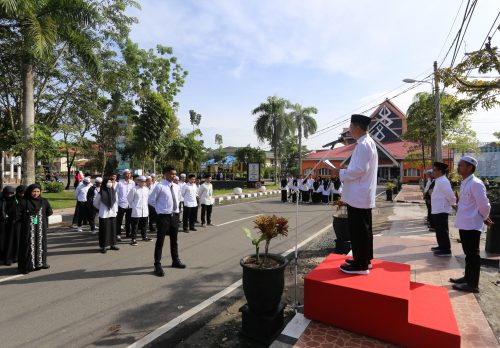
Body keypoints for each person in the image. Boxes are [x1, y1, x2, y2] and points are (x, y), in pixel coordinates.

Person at [331, 114, 378, 275]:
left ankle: (360, 265)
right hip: (361, 193)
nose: (350, 130)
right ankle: (364, 259)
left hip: (359, 194)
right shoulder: (365, 143)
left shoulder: (364, 144)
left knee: (359, 231)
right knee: (364, 230)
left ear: (357, 127)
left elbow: (359, 170)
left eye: (351, 127)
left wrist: (340, 172)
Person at [450, 156, 492, 293]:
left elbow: (484, 205)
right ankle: (467, 278)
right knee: (468, 254)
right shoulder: (465, 182)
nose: (458, 167)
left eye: (461, 165)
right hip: (464, 223)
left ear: (470, 168)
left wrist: (485, 217)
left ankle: (473, 284)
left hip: (473, 224)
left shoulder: (476, 183)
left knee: (473, 255)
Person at [149, 165, 186, 277]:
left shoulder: (176, 186)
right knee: (160, 241)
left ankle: (175, 260)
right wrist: (160, 210)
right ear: (165, 174)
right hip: (163, 217)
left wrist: (177, 212)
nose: (173, 175)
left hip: (174, 216)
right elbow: (151, 200)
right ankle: (157, 265)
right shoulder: (160, 186)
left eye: (175, 174)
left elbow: (179, 199)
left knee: (174, 240)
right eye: (171, 173)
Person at [17, 184, 53, 274]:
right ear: (29, 192)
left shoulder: (44, 201)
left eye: (37, 191)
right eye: (33, 191)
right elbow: (18, 214)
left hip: (40, 228)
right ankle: (27, 266)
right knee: (28, 245)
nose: (35, 193)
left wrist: (39, 218)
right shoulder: (24, 202)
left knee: (41, 244)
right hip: (28, 228)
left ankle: (41, 263)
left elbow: (49, 212)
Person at [430, 162, 455, 257]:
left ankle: (446, 249)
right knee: (439, 229)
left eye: (434, 170)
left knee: (443, 230)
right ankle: (441, 246)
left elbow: (450, 195)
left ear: (440, 171)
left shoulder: (443, 181)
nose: (433, 172)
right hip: (437, 209)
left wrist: (453, 204)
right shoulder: (439, 180)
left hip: (442, 209)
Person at [93, 176, 120, 254]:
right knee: (104, 231)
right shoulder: (101, 192)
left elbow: (116, 202)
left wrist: (115, 211)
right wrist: (101, 208)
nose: (110, 183)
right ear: (104, 183)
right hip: (104, 214)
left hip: (113, 214)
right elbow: (95, 203)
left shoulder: (114, 192)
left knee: (112, 230)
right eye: (108, 182)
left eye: (111, 182)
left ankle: (113, 245)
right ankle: (103, 246)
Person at [127, 176, 152, 245]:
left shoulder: (146, 189)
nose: (143, 183)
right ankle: (133, 239)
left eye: (144, 181)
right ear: (138, 181)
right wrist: (134, 206)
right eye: (141, 181)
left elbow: (148, 199)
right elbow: (129, 199)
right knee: (135, 225)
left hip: (145, 209)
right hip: (136, 209)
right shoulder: (134, 189)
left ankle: (144, 236)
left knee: (144, 224)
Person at [115, 169, 135, 240]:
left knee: (128, 220)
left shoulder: (133, 183)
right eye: (126, 173)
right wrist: (117, 204)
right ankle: (118, 234)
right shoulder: (120, 183)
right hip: (121, 204)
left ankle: (128, 233)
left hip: (130, 204)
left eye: (129, 173)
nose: (128, 175)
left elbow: (134, 193)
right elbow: (116, 194)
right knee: (119, 220)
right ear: (123, 175)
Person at [0, 186, 16, 265]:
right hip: (2, 223)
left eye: (11, 193)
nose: (9, 195)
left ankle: (10, 258)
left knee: (10, 241)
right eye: (7, 193)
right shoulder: (1, 200)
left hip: (12, 224)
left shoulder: (15, 201)